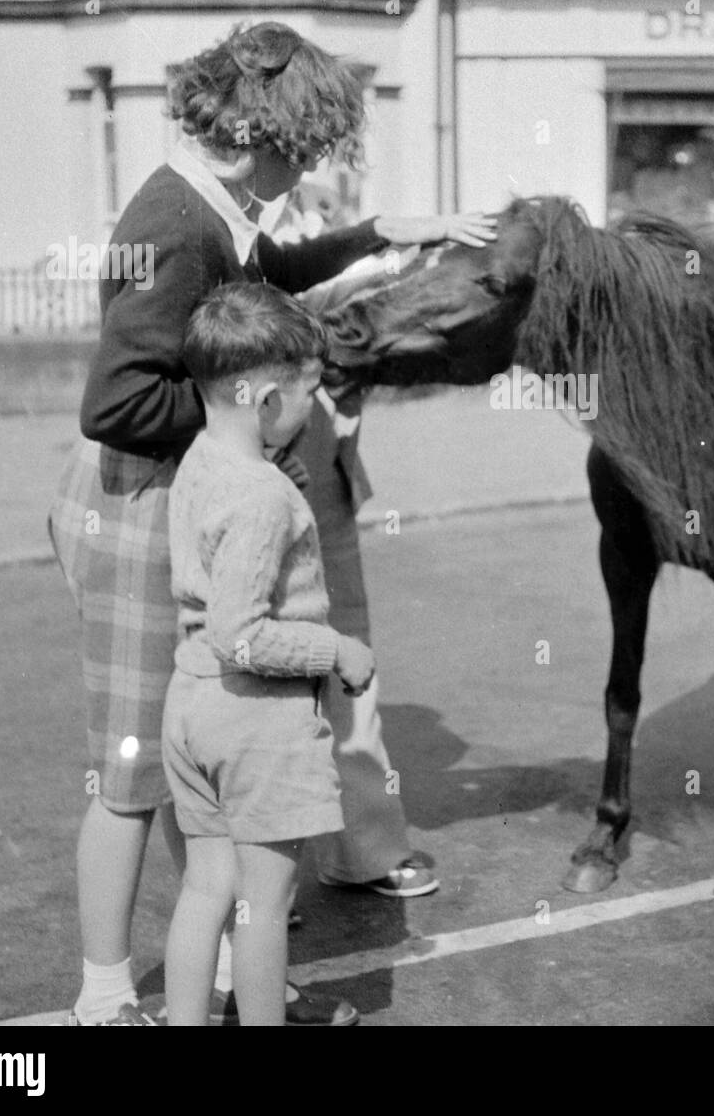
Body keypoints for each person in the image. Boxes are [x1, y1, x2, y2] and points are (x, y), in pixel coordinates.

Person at [48, 20, 495, 1025]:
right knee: (132, 765)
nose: (308, 172)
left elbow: (270, 267)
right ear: (259, 138)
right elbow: (115, 402)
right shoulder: (178, 227)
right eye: (304, 152)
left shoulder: (215, 202)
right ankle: (103, 994)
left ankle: (225, 974)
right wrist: (236, 415)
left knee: (197, 746)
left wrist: (381, 233)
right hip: (135, 501)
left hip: (179, 486)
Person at [162, 282, 374, 1027]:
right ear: (263, 398)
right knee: (263, 904)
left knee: (207, 888)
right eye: (307, 392)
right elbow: (242, 633)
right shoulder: (264, 495)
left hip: (191, 704)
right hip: (255, 719)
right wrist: (335, 648)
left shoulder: (200, 460)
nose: (313, 408)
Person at [259, 185, 437, 899]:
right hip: (262, 465)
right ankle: (260, 883)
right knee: (260, 663)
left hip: (324, 470)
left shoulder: (314, 211)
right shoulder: (229, 223)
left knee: (347, 656)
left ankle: (364, 848)